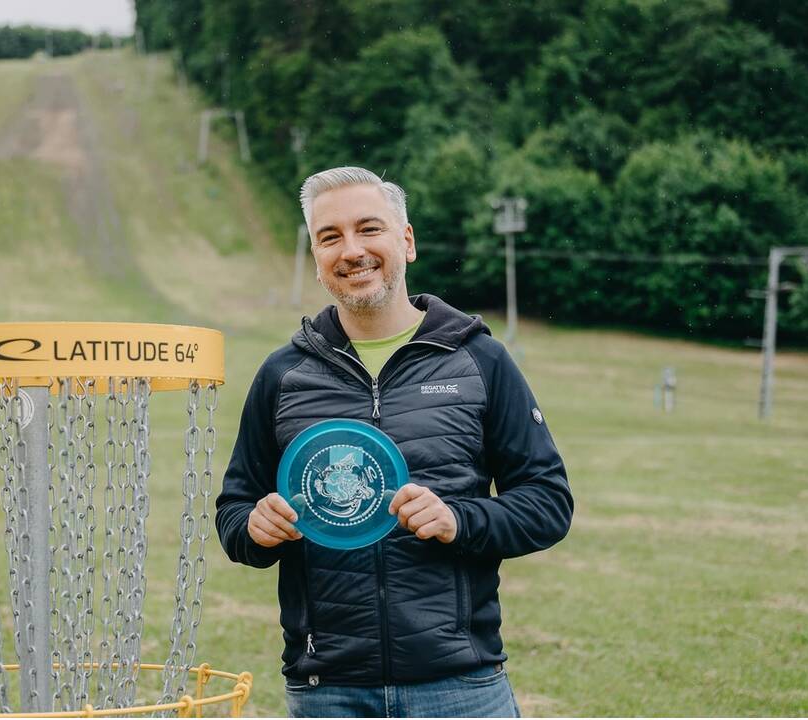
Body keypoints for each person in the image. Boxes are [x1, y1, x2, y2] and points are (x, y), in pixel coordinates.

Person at [216, 166, 573, 718]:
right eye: (330, 237)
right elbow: (235, 513)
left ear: (406, 241)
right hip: (327, 691)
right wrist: (255, 530)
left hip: (462, 686)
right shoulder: (283, 375)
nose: (351, 250)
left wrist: (460, 521)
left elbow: (548, 503)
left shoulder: (480, 360)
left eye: (369, 229)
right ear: (316, 256)